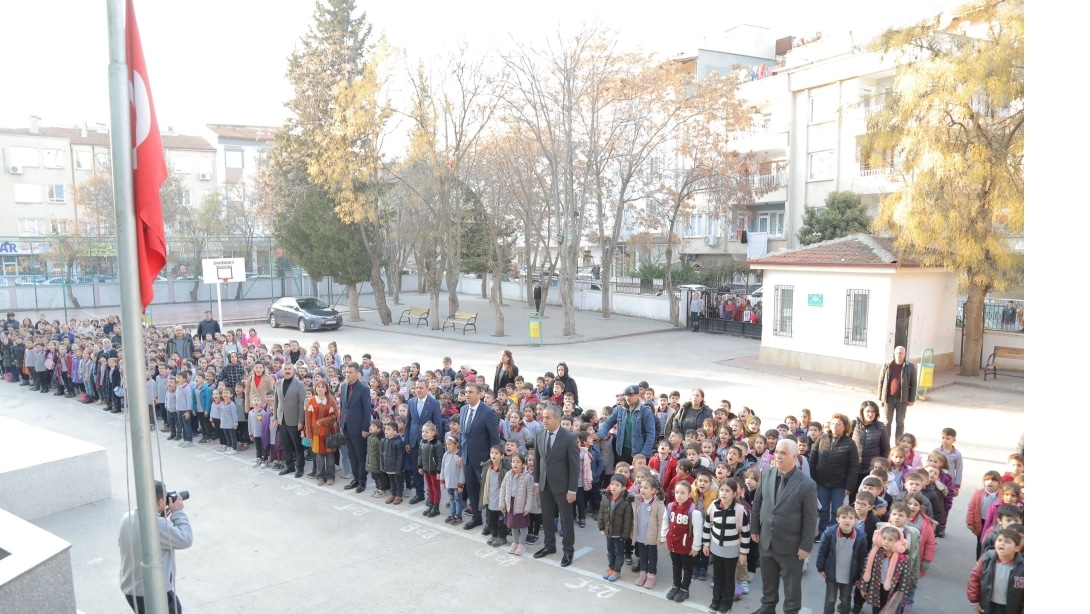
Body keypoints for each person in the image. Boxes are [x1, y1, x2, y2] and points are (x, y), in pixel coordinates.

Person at [749, 439, 819, 614]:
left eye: (783, 453)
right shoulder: (766, 474)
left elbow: (811, 519)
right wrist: (755, 529)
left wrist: (805, 546)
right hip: (766, 540)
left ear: (794, 457)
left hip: (791, 546)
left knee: (791, 586)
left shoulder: (806, 484)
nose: (778, 456)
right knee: (768, 580)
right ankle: (767, 607)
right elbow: (757, 503)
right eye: (777, 452)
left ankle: (791, 611)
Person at [118, 481, 193, 613]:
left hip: (132, 591)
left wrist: (161, 516)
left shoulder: (126, 518)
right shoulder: (156, 525)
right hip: (154, 594)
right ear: (159, 502)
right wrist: (177, 512)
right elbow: (186, 539)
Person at [533, 405, 580, 567]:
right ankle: (549, 546)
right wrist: (537, 482)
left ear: (557, 419)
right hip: (545, 484)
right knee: (546, 517)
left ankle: (568, 551)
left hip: (563, 487)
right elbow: (538, 461)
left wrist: (572, 489)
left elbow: (575, 466)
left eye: (547, 418)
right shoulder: (539, 434)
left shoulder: (568, 438)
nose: (543, 420)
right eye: (543, 417)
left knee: (566, 520)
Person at [702, 477, 751, 613]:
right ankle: (715, 601)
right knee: (717, 577)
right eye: (722, 490)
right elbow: (707, 526)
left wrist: (743, 553)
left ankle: (726, 604)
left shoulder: (740, 510)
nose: (724, 493)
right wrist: (706, 544)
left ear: (735, 493)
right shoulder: (713, 506)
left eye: (728, 491)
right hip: (716, 548)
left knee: (728, 578)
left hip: (732, 550)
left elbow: (746, 533)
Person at [809, 413, 859, 535]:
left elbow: (854, 466)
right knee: (823, 509)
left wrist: (849, 486)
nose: (835, 426)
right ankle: (822, 533)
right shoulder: (822, 439)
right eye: (833, 424)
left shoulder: (850, 443)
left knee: (837, 510)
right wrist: (812, 479)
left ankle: (833, 533)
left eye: (838, 424)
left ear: (844, 427)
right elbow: (813, 460)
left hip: (839, 484)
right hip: (821, 482)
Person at [461, 383, 499, 530]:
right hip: (467, 458)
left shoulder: (488, 412)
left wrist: (493, 460)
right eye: (466, 392)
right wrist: (460, 454)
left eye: (471, 392)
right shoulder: (464, 409)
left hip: (483, 460)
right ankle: (476, 517)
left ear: (480, 394)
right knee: (471, 489)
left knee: (487, 492)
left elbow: (494, 439)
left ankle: (490, 523)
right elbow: (463, 435)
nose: (467, 394)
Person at [815, 505, 868, 614]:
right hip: (832, 573)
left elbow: (862, 557)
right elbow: (822, 551)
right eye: (843, 517)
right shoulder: (829, 533)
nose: (847, 520)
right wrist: (820, 567)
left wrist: (860, 576)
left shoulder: (861, 536)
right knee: (830, 599)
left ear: (855, 520)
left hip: (849, 575)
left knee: (845, 599)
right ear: (837, 519)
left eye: (850, 517)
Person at [662, 480, 703, 603]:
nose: (679, 495)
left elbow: (697, 531)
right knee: (676, 565)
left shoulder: (693, 512)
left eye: (683, 493)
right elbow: (665, 522)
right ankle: (676, 585)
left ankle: (684, 589)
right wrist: (664, 537)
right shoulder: (670, 507)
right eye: (677, 492)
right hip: (674, 543)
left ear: (689, 494)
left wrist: (696, 547)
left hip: (686, 546)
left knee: (687, 567)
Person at [967, 528, 1024, 614]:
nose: (1002, 543)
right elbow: (974, 579)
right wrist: (974, 600)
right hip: (988, 604)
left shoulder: (1023, 567)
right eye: (999, 540)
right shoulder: (986, 558)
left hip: (1011, 608)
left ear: (1016, 548)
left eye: (1007, 542)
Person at [598, 384, 657, 465]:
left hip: (638, 452)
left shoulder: (646, 412)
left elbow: (651, 434)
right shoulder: (619, 410)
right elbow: (608, 423)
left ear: (638, 395)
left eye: (631, 395)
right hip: (621, 451)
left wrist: (644, 454)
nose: (628, 398)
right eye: (626, 395)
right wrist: (600, 434)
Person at [405, 380, 442, 504]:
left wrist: (437, 442)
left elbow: (437, 424)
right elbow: (408, 422)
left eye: (421, 387)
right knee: (417, 468)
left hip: (429, 443)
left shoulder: (434, 403)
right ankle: (419, 493)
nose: (418, 390)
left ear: (427, 389)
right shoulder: (411, 402)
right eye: (416, 387)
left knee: (429, 470)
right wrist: (407, 441)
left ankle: (430, 495)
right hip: (414, 440)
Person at [340, 362, 373, 493]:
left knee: (360, 456)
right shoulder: (343, 386)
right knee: (351, 455)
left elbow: (367, 410)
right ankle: (355, 478)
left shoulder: (363, 388)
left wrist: (365, 428)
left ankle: (362, 481)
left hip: (359, 428)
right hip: (346, 427)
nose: (347, 375)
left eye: (350, 372)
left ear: (357, 373)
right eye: (346, 372)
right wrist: (341, 423)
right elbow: (343, 407)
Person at [273, 363, 307, 478]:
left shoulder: (299, 384)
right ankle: (289, 466)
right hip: (281, 420)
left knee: (297, 446)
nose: (287, 371)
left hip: (294, 420)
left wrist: (301, 421)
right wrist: (275, 418)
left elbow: (302, 404)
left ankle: (300, 468)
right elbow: (276, 401)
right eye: (285, 369)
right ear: (282, 371)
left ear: (294, 371)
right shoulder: (278, 383)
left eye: (289, 369)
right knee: (286, 445)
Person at [877, 346, 916, 445]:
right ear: (894, 354)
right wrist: (881, 398)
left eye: (901, 353)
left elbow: (914, 384)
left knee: (900, 422)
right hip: (888, 398)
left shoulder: (910, 367)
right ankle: (885, 443)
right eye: (897, 353)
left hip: (902, 400)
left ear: (905, 354)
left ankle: (898, 444)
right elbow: (881, 382)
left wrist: (911, 399)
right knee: (887, 422)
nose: (899, 355)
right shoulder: (887, 365)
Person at [305, 378, 340, 486]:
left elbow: (336, 416)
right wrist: (309, 434)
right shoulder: (310, 401)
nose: (320, 389)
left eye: (322, 387)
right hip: (315, 433)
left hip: (329, 432)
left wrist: (323, 421)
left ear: (326, 389)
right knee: (319, 456)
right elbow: (307, 419)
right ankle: (320, 476)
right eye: (318, 387)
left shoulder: (331, 401)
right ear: (315, 388)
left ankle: (330, 476)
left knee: (330, 455)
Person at [852, 401, 889, 495]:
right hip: (854, 468)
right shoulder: (854, 425)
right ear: (862, 412)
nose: (870, 414)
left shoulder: (880, 427)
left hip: (871, 469)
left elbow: (886, 449)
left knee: (869, 496)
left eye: (873, 411)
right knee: (854, 496)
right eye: (868, 411)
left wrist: (883, 467)